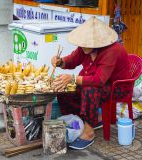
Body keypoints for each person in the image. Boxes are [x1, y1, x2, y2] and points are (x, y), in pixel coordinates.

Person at [51, 16, 130, 150]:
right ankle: (80, 121)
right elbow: (72, 60)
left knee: (90, 89)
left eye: (87, 43)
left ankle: (88, 132)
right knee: (64, 88)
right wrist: (60, 62)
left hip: (116, 86)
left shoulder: (113, 50)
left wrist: (73, 78)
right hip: (97, 83)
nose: (83, 46)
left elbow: (99, 80)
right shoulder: (84, 48)